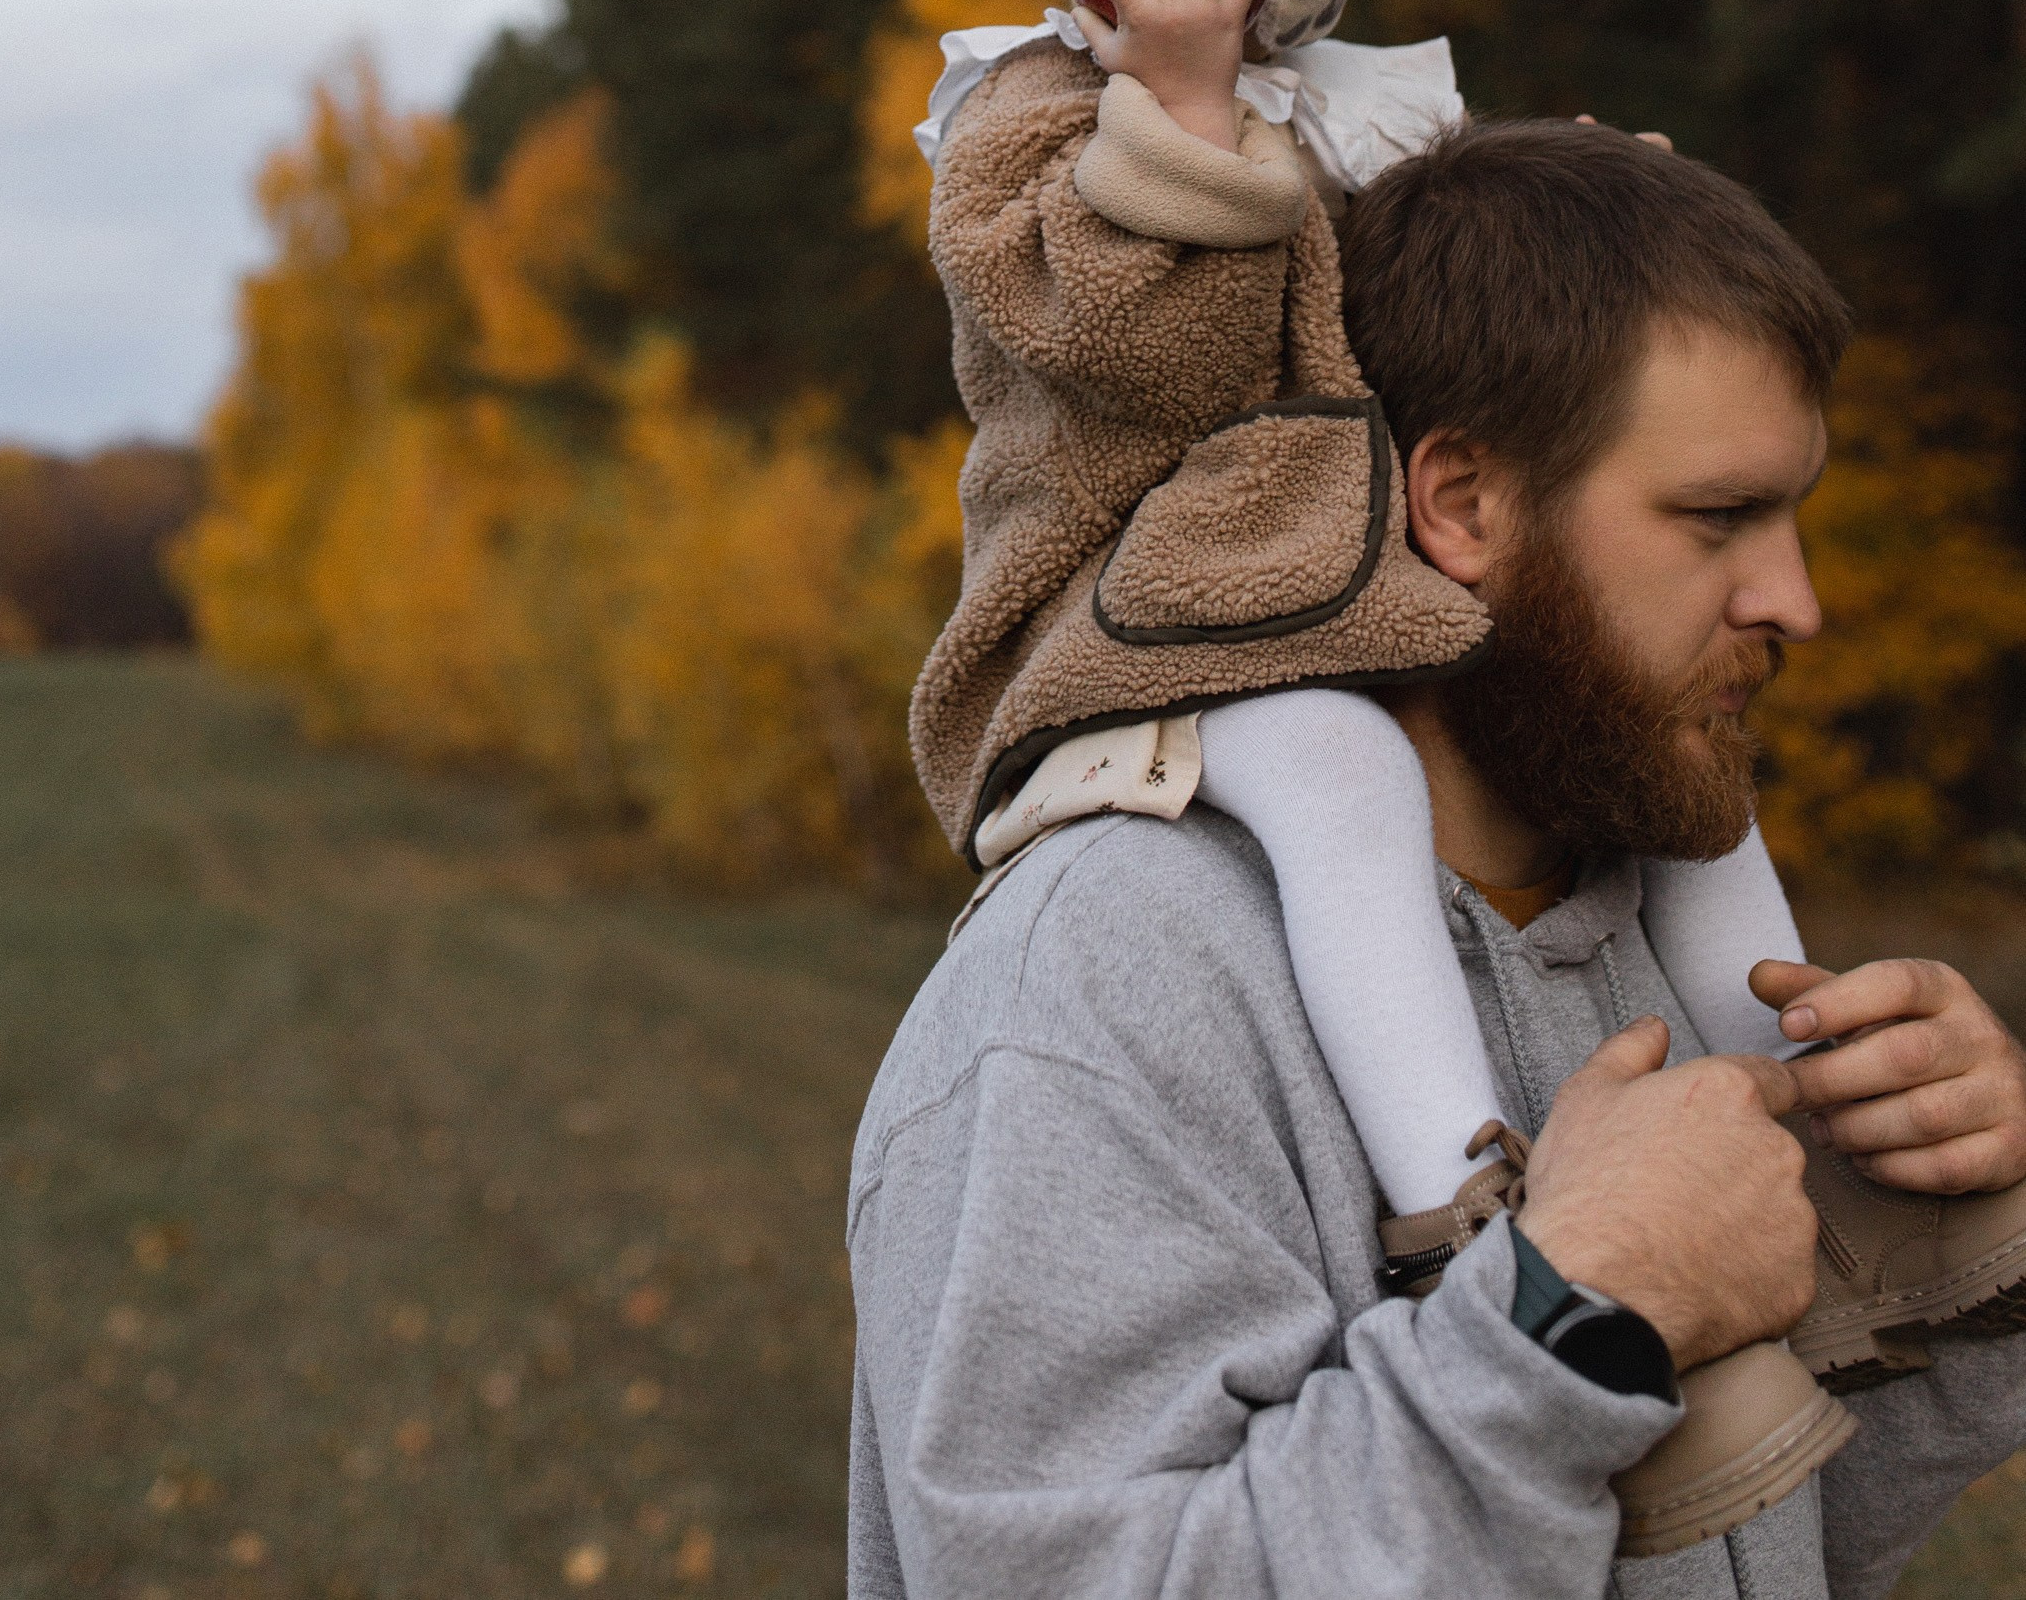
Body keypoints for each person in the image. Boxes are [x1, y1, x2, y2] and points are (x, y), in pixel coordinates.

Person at [851, 122, 2026, 1596]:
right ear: (1459, 506)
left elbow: (1746, 1555)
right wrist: (1560, 1325)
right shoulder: (1103, 985)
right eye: (1716, 518)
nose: (1794, 600)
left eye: (1791, 514)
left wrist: (1938, 1217)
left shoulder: (1645, 926)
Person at [905, 0, 1829, 1430]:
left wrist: (1590, 197)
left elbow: (1487, 293)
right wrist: (1174, 110)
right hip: (1122, 612)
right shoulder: (1024, 113)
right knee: (1341, 776)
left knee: (1697, 811)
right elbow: (1129, 355)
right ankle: (1467, 1213)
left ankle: (1777, 1114)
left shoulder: (1342, 116)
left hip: (1319, 586)